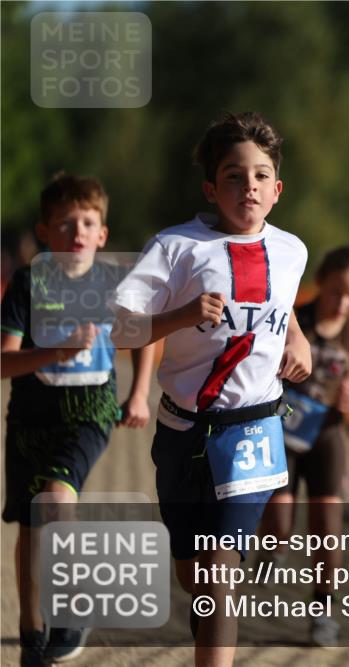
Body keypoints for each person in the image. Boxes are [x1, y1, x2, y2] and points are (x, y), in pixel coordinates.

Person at [110, 112, 311, 667]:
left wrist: (299, 340)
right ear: (210, 187)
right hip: (182, 429)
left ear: (277, 190)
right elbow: (123, 326)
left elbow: (283, 305)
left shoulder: (293, 251)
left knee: (221, 568)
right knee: (192, 571)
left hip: (252, 425)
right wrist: (179, 316)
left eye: (260, 176)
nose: (248, 186)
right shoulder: (176, 248)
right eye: (233, 175)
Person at [1, 172, 156, 666]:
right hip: (30, 418)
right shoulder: (27, 283)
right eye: (65, 224)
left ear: (103, 234)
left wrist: (138, 396)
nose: (78, 232)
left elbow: (147, 336)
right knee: (30, 528)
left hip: (89, 413)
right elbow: (3, 361)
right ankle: (32, 636)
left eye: (88, 222)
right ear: (44, 233)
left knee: (53, 503)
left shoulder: (113, 282)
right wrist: (51, 352)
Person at [258, 243, 349, 646]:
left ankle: (323, 611)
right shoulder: (294, 319)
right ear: (320, 284)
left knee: (326, 529)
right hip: (281, 431)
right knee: (279, 518)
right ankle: (272, 550)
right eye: (336, 291)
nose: (343, 302)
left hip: (327, 438)